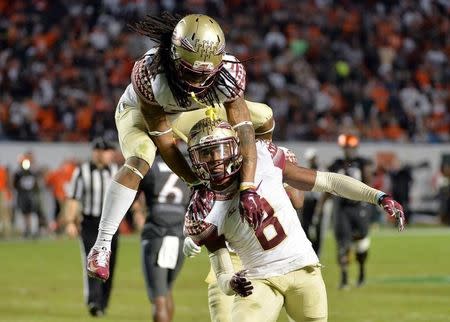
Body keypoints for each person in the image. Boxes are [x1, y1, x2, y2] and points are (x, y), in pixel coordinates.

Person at [87, 13, 275, 280]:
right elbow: (165, 140)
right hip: (140, 113)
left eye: (204, 74)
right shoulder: (151, 73)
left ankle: (273, 180)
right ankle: (101, 244)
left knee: (264, 116)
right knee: (141, 157)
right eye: (190, 72)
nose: (197, 82)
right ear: (175, 57)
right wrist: (195, 183)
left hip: (188, 109)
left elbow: (244, 131)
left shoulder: (230, 72)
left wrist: (248, 185)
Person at [184, 118, 405, 322]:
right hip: (258, 280)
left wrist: (377, 196)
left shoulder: (262, 158)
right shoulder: (203, 206)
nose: (214, 160)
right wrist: (231, 283)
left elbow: (328, 182)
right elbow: (222, 272)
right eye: (205, 153)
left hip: (302, 269)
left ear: (235, 147)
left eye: (220, 149)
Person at [183, 146, 304, 322]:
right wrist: (193, 237)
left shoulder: (269, 155)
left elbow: (298, 201)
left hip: (269, 258)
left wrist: (277, 178)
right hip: (229, 257)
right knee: (222, 318)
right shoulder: (220, 157)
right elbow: (200, 212)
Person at [63, 137, 118, 317]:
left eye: (105, 151)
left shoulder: (117, 171)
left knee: (109, 263)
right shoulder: (82, 171)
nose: (102, 154)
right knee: (91, 260)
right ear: (94, 152)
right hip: (90, 223)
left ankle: (104, 303)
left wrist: (138, 213)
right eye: (99, 150)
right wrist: (70, 222)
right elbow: (73, 198)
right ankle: (93, 301)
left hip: (111, 224)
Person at [135, 151, 190, 322]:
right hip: (180, 235)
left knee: (158, 299)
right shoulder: (187, 163)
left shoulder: (149, 165)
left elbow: (132, 193)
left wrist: (137, 212)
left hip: (156, 233)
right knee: (167, 290)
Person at [317, 134, 376, 289]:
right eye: (346, 147)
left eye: (351, 147)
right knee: (342, 244)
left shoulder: (363, 163)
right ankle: (344, 278)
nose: (349, 150)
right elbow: (327, 187)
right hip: (341, 208)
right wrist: (320, 207)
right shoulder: (336, 165)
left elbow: (369, 183)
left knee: (361, 244)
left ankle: (362, 272)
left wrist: (372, 202)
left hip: (359, 207)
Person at [13, 152, 45, 238]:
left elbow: (36, 183)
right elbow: (15, 185)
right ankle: (26, 230)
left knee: (34, 212)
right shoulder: (18, 173)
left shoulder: (32, 172)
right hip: (23, 195)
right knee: (24, 213)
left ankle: (34, 230)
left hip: (31, 195)